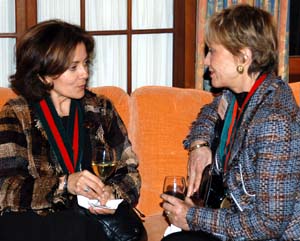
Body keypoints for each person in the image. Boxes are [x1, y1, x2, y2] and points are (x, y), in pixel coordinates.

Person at [161, 4, 300, 241]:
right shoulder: (240, 96)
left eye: (212, 51)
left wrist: (193, 217)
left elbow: (269, 224)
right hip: (234, 223)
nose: (205, 61)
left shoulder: (274, 123)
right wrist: (199, 145)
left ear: (243, 57)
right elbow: (210, 112)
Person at [0, 20, 144, 241]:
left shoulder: (100, 109)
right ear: (44, 74)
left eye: (86, 64)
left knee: (81, 227)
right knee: (72, 226)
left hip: (90, 220)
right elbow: (6, 188)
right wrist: (65, 184)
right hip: (36, 221)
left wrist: (110, 193)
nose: (85, 74)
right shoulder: (17, 114)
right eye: (73, 67)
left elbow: (130, 173)